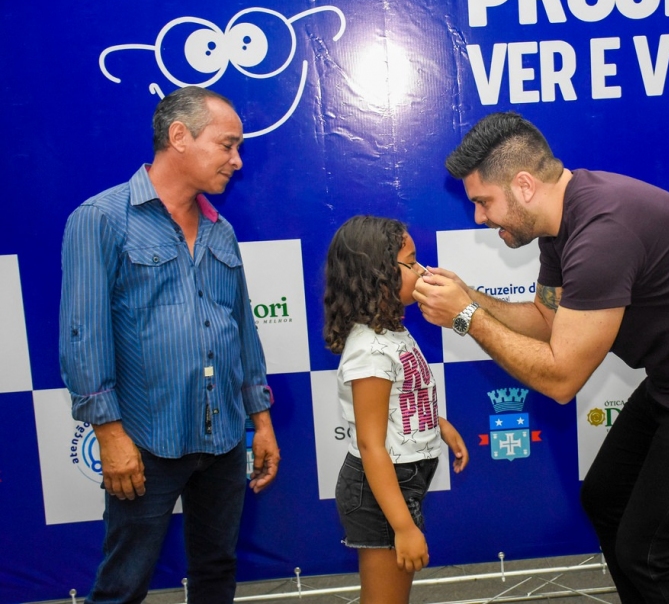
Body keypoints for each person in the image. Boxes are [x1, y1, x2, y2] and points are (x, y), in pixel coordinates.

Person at [413, 112, 669, 604]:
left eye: (484, 202)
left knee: (649, 552)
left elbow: (560, 378)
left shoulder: (601, 233)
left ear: (524, 185)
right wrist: (472, 296)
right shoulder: (560, 221)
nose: (480, 218)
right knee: (605, 500)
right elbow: (547, 319)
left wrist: (466, 317)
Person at [59, 86, 280, 603]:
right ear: (179, 136)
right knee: (124, 582)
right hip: (144, 442)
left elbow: (241, 329)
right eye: (227, 145)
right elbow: (81, 335)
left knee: (216, 570)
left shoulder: (220, 232)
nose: (237, 161)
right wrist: (110, 435)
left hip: (224, 436)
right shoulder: (100, 219)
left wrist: (261, 421)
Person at [324, 215, 469, 604]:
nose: (421, 270)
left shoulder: (390, 331)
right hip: (381, 492)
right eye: (411, 262)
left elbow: (399, 401)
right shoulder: (369, 351)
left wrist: (436, 424)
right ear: (379, 274)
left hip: (398, 484)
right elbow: (372, 446)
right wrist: (403, 527)